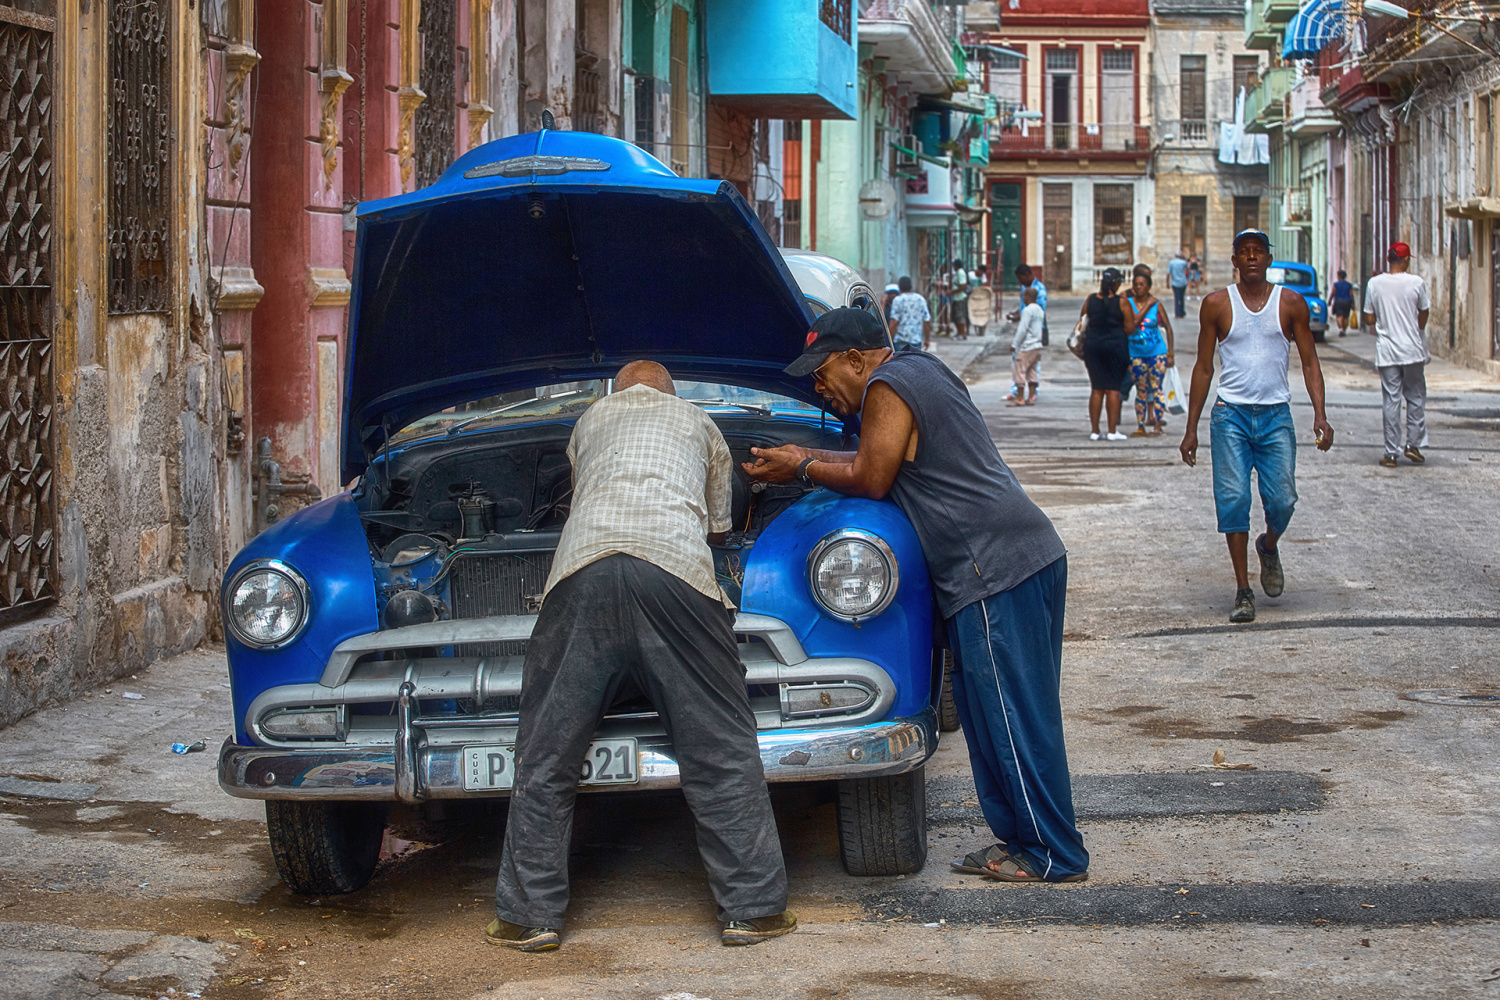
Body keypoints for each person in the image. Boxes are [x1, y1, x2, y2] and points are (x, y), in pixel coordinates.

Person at [744, 308, 1087, 885]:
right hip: (1021, 557)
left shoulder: (887, 386)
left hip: (993, 568)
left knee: (1013, 719)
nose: (818, 386)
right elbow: (868, 460)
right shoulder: (920, 371)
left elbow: (871, 477)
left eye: (823, 371)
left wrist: (802, 465)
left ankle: (1055, 854)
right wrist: (797, 461)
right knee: (991, 717)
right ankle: (1021, 842)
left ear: (856, 358)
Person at [489, 360, 795, 952]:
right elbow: (716, 527)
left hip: (581, 571)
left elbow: (583, 495)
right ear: (669, 393)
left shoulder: (591, 418)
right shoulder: (699, 422)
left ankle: (528, 918)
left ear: (618, 391)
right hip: (674, 572)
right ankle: (752, 909)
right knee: (719, 745)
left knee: (546, 751)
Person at [1179, 230, 1334, 624]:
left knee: (1282, 500)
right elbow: (1203, 367)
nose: (1251, 258)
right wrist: (1191, 427)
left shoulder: (1290, 303)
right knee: (1233, 502)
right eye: (1244, 252)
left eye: (1258, 252)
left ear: (1268, 259)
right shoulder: (1216, 304)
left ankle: (1269, 544)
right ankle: (1243, 589)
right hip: (1230, 415)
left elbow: (1311, 362)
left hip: (1275, 416)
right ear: (1234, 260)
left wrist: (1320, 414)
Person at [1362, 243, 1431, 467]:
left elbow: (1369, 319)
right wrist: (1415, 328)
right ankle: (1413, 445)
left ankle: (1391, 453)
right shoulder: (1416, 283)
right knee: (1416, 397)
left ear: (1389, 259)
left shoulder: (1375, 283)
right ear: (1406, 260)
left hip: (1388, 351)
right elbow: (1423, 313)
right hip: (1412, 350)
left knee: (1391, 400)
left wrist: (1385, 319)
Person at [1078, 268, 1134, 441]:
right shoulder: (1122, 302)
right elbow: (1130, 327)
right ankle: (1111, 431)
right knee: (1113, 390)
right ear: (1116, 283)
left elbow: (1083, 320)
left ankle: (1095, 431)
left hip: (1093, 347)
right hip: (1115, 348)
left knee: (1096, 389)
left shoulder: (1091, 299)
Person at [1123, 270, 1175, 435]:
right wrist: (1147, 305)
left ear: (1148, 287)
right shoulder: (1127, 303)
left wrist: (1171, 353)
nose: (1138, 288)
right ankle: (1140, 425)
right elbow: (1134, 321)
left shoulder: (1157, 305)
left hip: (1156, 352)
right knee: (1141, 390)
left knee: (1156, 388)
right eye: (1136, 285)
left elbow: (1168, 328)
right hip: (1135, 353)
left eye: (1142, 285)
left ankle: (1157, 424)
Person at [1010, 286, 1045, 406]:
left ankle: (1020, 397)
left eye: (1024, 296)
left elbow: (1022, 329)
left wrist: (1015, 344)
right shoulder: (1039, 310)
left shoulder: (1027, 310)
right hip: (1037, 345)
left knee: (1020, 370)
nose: (1023, 298)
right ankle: (1030, 397)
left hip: (1027, 345)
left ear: (1028, 297)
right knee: (1032, 371)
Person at [887, 275, 931, 352]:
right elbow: (927, 321)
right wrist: (927, 339)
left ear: (899, 288)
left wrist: (889, 343)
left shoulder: (897, 300)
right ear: (911, 286)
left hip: (900, 341)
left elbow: (894, 323)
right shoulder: (920, 299)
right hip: (916, 341)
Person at [949, 259, 972, 340]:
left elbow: (963, 285)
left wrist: (953, 292)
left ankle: (962, 333)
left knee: (960, 316)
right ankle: (959, 332)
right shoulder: (958, 273)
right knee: (955, 316)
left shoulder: (960, 272)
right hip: (957, 297)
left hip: (960, 297)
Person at [1330, 270, 1355, 337]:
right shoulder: (1349, 285)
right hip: (1347, 301)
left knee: (1339, 315)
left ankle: (1341, 329)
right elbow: (1351, 294)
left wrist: (1329, 300)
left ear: (1339, 276)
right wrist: (1353, 304)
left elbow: (1333, 293)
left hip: (1339, 301)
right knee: (1346, 316)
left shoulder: (1336, 284)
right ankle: (1344, 329)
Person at [1168, 248, 1190, 318]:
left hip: (1175, 283)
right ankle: (1181, 312)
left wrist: (1167, 282)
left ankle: (1177, 313)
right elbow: (1188, 267)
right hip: (1183, 282)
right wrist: (1184, 258)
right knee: (1181, 297)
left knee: (1176, 298)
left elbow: (1168, 273)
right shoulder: (1183, 262)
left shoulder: (1171, 263)